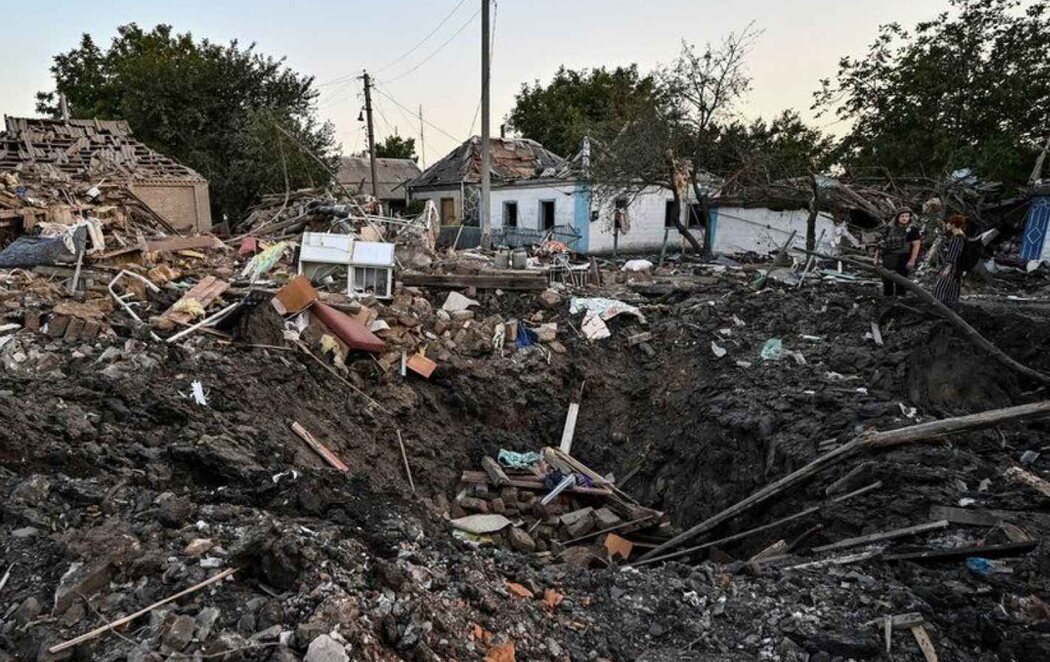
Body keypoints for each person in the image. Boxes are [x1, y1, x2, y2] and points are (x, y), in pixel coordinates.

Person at [874, 209, 921, 296]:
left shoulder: (912, 229)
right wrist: (876, 258)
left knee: (901, 281)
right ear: (897, 217)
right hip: (889, 257)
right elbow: (881, 243)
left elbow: (916, 245)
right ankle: (888, 300)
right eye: (902, 216)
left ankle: (900, 301)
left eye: (907, 216)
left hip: (903, 258)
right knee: (887, 280)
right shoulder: (889, 228)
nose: (904, 218)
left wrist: (912, 260)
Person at [933, 214, 967, 308]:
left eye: (948, 223)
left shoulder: (957, 238)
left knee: (942, 283)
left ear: (952, 225)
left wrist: (947, 267)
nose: (946, 225)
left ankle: (937, 303)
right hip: (959, 266)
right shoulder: (963, 236)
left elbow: (953, 254)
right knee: (954, 284)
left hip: (953, 265)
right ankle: (951, 302)